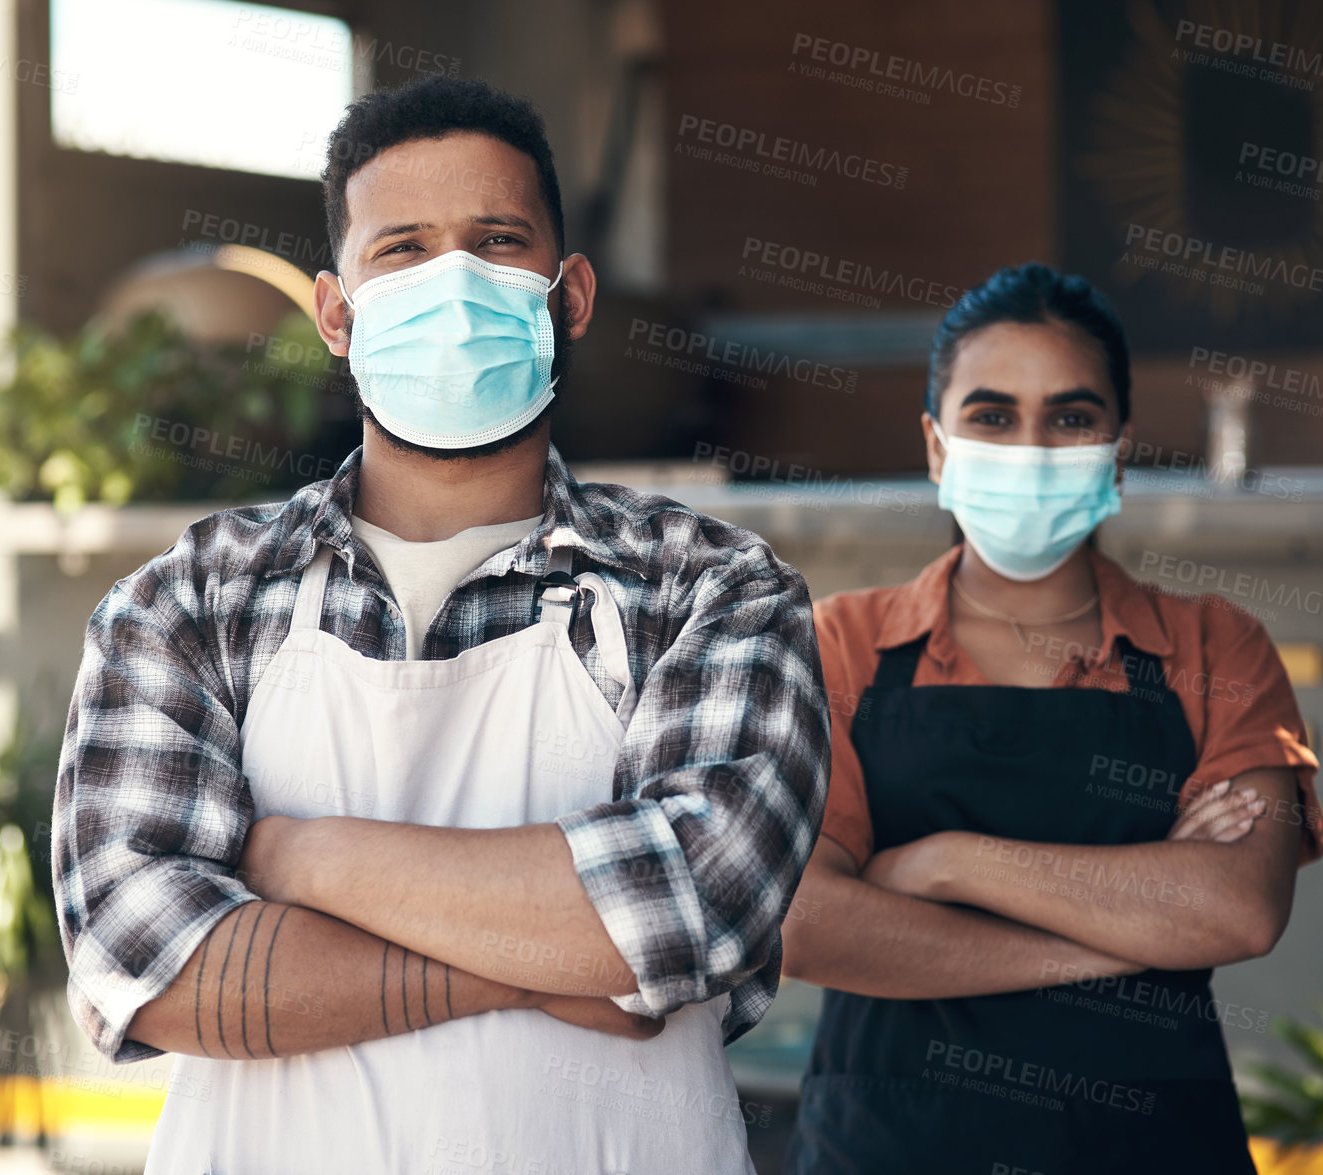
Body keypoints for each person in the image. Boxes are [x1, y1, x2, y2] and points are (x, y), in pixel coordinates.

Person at [50, 76, 829, 1174]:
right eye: (402, 249)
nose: (451, 283)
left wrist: (294, 853)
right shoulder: (189, 601)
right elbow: (149, 964)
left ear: (572, 295)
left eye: (497, 241)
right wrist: (529, 960)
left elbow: (687, 910)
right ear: (335, 311)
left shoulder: (709, 589)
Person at [780, 262, 1323, 1174]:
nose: (1030, 449)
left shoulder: (1213, 647)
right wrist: (1124, 939)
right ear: (936, 448)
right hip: (896, 1146)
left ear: (1117, 452)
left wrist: (943, 863)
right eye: (992, 415)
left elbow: (1239, 907)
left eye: (1070, 418)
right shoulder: (842, 645)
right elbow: (803, 926)